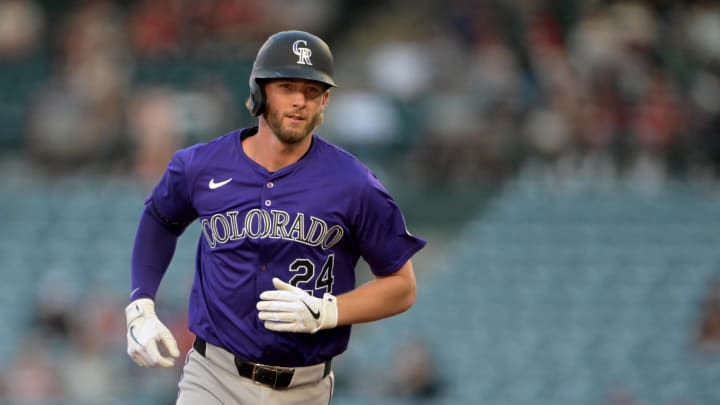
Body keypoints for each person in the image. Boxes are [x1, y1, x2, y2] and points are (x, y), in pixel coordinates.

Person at [124, 30, 426, 405]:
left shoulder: (354, 184)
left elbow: (401, 285)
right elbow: (159, 220)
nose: (300, 101)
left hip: (305, 388)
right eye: (287, 86)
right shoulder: (201, 166)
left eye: (312, 91)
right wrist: (141, 305)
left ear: (325, 100)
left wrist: (331, 311)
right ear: (260, 91)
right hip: (214, 377)